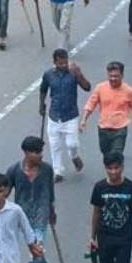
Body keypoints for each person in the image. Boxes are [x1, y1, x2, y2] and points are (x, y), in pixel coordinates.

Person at [38, 49, 91, 179]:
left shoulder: (73, 73)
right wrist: (41, 104)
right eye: (60, 63)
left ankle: (74, 155)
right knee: (55, 145)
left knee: (71, 144)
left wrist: (79, 74)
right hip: (54, 115)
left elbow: (87, 87)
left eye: (65, 62)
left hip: (70, 116)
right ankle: (58, 171)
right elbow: (43, 89)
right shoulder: (48, 74)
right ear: (54, 62)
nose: (63, 65)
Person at [80, 61, 132, 157]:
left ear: (122, 75)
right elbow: (91, 104)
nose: (113, 79)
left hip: (120, 128)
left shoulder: (129, 91)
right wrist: (84, 120)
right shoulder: (100, 88)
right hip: (104, 128)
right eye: (110, 76)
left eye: (116, 76)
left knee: (116, 154)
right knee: (106, 155)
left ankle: (118, 168)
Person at [5, 136, 56, 245]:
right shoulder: (14, 170)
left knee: (37, 245)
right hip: (22, 216)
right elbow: (4, 193)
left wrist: (52, 212)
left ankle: (38, 259)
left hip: (41, 216)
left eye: (40, 152)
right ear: (26, 153)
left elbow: (50, 194)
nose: (41, 155)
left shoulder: (47, 170)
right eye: (37, 152)